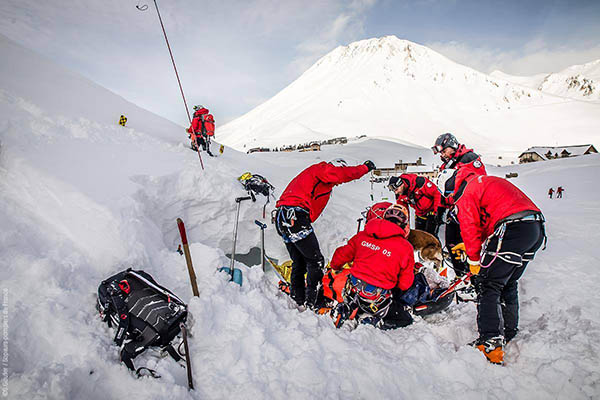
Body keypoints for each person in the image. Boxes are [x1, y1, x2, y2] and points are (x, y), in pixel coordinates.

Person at [439, 164, 546, 365]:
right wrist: (478, 248)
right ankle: (507, 330)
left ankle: (490, 343)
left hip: (512, 228)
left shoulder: (467, 192)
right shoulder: (485, 183)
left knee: (488, 284)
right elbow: (487, 226)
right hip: (534, 229)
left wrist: (473, 261)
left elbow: (470, 228)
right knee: (507, 281)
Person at [275, 158, 375, 309]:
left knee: (300, 262)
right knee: (316, 261)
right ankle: (313, 302)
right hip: (295, 216)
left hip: (283, 217)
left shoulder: (317, 179)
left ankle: (298, 299)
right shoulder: (323, 169)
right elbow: (343, 174)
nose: (338, 182)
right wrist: (364, 168)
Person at [329, 202, 415, 329]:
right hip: (377, 297)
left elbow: (340, 256)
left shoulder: (363, 235)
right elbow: (405, 283)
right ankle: (375, 319)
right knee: (406, 320)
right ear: (404, 224)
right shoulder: (405, 247)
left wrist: (335, 267)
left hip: (354, 289)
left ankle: (350, 308)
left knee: (355, 290)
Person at [432, 133, 487, 277]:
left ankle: (475, 276)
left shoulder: (469, 159)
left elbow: (479, 183)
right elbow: (442, 189)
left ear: (452, 146)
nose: (442, 155)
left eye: (444, 151)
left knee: (470, 243)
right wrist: (440, 209)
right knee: (452, 243)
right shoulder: (447, 165)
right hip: (454, 210)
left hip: (469, 209)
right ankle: (460, 275)